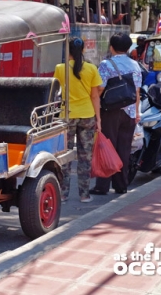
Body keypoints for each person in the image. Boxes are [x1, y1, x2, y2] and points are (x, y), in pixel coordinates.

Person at [91, 33, 142, 195]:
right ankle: (121, 186)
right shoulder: (135, 65)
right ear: (128, 48)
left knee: (107, 146)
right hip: (130, 112)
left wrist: (94, 109)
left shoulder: (106, 64)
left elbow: (100, 88)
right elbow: (137, 91)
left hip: (111, 111)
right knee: (124, 149)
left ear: (111, 47)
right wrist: (137, 112)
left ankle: (103, 185)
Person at [54, 37, 103, 203]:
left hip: (66, 116)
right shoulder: (91, 69)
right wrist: (99, 119)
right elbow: (95, 96)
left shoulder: (60, 69)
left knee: (64, 157)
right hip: (87, 115)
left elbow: (56, 92)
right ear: (83, 50)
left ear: (68, 51)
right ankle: (84, 195)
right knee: (85, 157)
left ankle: (62, 193)